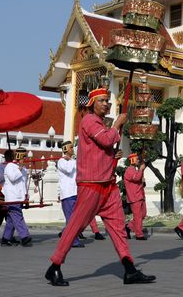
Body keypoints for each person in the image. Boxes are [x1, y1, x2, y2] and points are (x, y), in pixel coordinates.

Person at [45, 87, 156, 287]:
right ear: (92, 103)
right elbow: (107, 139)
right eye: (102, 100)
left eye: (108, 101)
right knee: (76, 226)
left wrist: (112, 155)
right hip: (92, 185)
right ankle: (54, 266)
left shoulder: (99, 123)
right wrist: (117, 125)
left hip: (108, 184)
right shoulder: (89, 121)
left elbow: (102, 148)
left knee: (118, 228)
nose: (106, 104)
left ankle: (129, 269)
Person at [1, 147, 32, 246]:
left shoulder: (23, 168)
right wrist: (20, 167)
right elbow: (13, 178)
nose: (24, 158)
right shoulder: (10, 166)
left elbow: (24, 183)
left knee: (11, 219)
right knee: (18, 216)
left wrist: (26, 197)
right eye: (23, 156)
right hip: (12, 197)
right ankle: (24, 236)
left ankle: (6, 238)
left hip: (20, 196)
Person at [124, 153, 147, 240]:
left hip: (140, 195)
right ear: (133, 160)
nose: (138, 161)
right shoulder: (129, 170)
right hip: (134, 197)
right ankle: (139, 234)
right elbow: (136, 178)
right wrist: (141, 170)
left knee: (143, 214)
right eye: (137, 159)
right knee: (137, 216)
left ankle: (129, 227)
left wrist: (143, 181)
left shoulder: (136, 170)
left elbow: (140, 182)